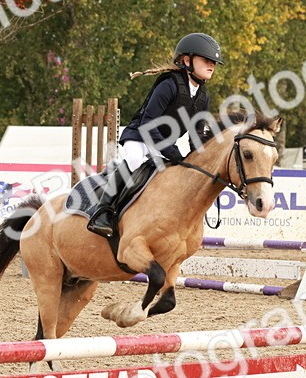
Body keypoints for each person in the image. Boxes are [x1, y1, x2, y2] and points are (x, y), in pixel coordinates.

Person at [86, 33, 221, 237]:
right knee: (134, 160)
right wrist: (171, 151)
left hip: (162, 144)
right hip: (139, 136)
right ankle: (102, 212)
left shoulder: (203, 96)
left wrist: (204, 159)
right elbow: (148, 123)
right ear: (187, 60)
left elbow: (196, 134)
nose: (212, 65)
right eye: (206, 60)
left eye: (214, 62)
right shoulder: (169, 84)